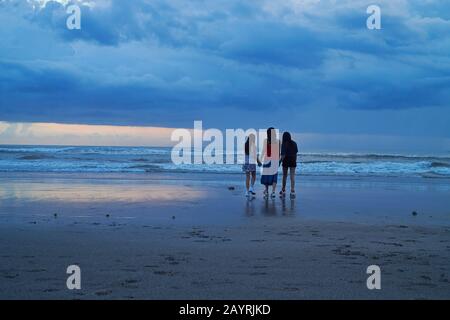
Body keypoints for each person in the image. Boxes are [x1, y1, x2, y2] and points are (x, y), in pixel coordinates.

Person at [260, 127, 280, 199]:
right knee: (274, 176)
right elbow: (278, 153)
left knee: (266, 175)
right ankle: (273, 192)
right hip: (275, 160)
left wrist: (260, 159)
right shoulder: (278, 141)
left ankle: (267, 191)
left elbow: (263, 151)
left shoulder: (266, 141)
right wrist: (278, 161)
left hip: (267, 159)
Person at [279, 131, 298, 199]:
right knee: (292, 176)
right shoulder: (294, 143)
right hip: (293, 160)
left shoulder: (284, 144)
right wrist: (295, 161)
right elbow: (295, 154)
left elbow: (283, 155)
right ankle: (292, 190)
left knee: (284, 176)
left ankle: (283, 190)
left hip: (286, 161)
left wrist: (279, 162)